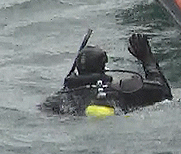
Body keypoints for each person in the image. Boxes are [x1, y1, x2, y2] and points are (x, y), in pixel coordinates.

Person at [40, 33, 173, 116]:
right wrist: (147, 59)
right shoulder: (122, 91)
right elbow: (164, 93)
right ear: (103, 65)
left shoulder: (58, 100)